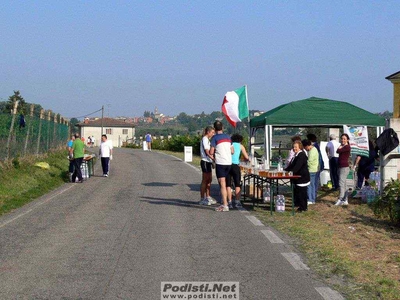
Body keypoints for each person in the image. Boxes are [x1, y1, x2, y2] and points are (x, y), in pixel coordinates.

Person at [210, 121, 233, 212]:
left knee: (222, 184)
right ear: (222, 128)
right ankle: (229, 201)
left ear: (214, 129)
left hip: (220, 163)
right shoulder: (228, 137)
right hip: (229, 162)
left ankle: (224, 205)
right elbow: (232, 151)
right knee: (228, 184)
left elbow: (211, 152)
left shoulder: (214, 138)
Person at [285, 140, 310, 212]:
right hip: (298, 177)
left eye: (296, 147)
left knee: (302, 193)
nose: (294, 148)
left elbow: (297, 166)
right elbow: (292, 165)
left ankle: (303, 207)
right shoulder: (296, 155)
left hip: (302, 177)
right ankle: (300, 205)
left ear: (300, 147)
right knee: (299, 192)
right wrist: (285, 170)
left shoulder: (301, 155)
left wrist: (291, 172)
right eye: (294, 147)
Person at [227, 134, 250, 209]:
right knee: (237, 184)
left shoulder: (229, 144)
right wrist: (247, 160)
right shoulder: (241, 146)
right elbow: (246, 157)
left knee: (228, 185)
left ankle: (229, 202)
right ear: (240, 140)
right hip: (235, 166)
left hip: (227, 165)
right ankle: (237, 202)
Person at [199, 126, 217, 205]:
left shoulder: (207, 140)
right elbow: (207, 151)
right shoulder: (205, 139)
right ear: (208, 132)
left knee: (209, 180)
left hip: (208, 162)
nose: (213, 134)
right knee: (205, 180)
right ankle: (202, 198)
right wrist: (213, 158)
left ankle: (208, 196)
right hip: (205, 161)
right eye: (212, 132)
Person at [335, 133, 351, 206]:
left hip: (344, 167)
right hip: (340, 166)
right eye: (342, 138)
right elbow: (338, 151)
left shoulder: (347, 147)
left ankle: (340, 198)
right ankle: (345, 199)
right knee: (344, 184)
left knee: (341, 183)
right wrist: (340, 147)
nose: (343, 140)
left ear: (347, 139)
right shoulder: (344, 146)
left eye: (344, 139)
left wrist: (340, 146)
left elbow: (338, 151)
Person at [302, 139, 319, 205]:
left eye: (305, 147)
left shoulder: (312, 151)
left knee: (309, 185)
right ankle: (313, 199)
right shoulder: (314, 149)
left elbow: (309, 161)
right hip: (314, 169)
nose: (305, 149)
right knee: (312, 185)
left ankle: (310, 199)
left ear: (307, 146)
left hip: (311, 170)